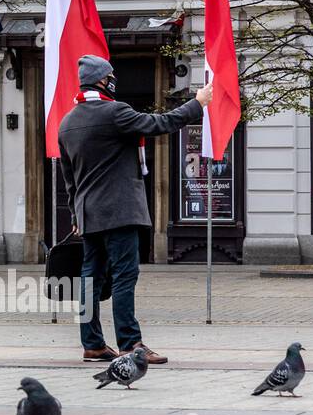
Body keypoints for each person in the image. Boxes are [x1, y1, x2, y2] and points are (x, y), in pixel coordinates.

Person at [58, 55, 212, 366]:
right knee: (124, 277)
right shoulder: (115, 112)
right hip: (119, 211)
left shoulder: (67, 122)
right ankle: (130, 343)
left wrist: (76, 215)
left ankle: (92, 345)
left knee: (90, 279)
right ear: (102, 80)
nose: (115, 79)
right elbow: (161, 124)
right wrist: (198, 103)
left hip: (89, 215)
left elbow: (69, 177)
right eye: (111, 75)